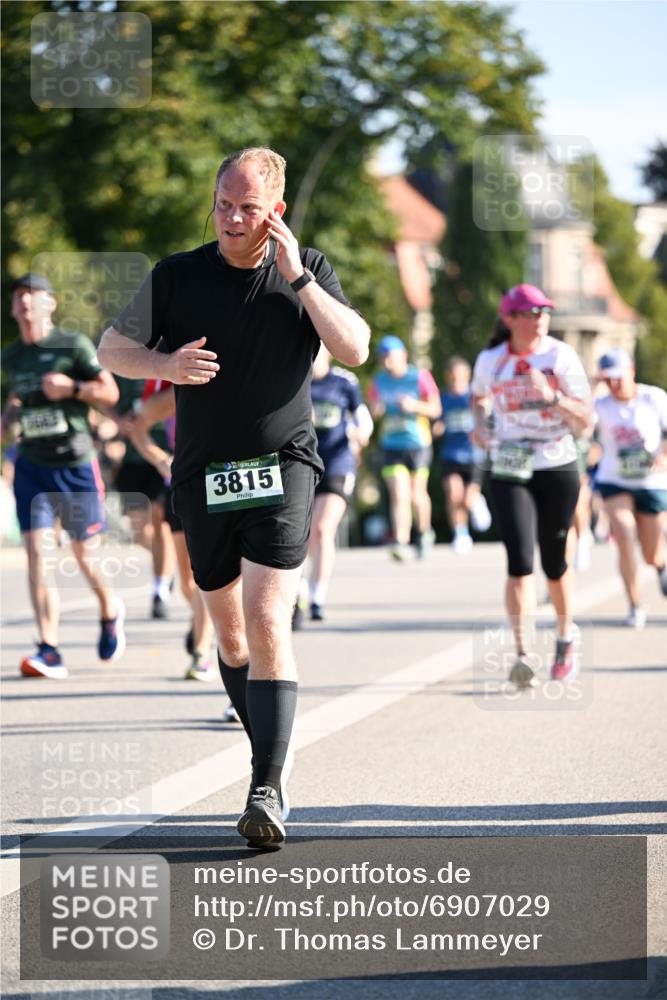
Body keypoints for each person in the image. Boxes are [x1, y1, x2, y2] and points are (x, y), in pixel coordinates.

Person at [97, 146, 370, 848]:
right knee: (229, 631)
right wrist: (162, 364)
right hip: (202, 474)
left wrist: (301, 279)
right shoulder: (178, 276)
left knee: (265, 612)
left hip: (284, 467)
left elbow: (355, 348)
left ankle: (266, 788)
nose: (230, 216)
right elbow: (109, 347)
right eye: (223, 201)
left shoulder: (303, 271)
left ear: (274, 211)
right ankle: (267, 761)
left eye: (247, 207)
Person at [2, 273, 126, 679]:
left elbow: (110, 394)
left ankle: (110, 610)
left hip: (74, 464)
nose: (25, 303)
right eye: (19, 297)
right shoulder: (12, 358)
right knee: (38, 552)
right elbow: (14, 408)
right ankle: (49, 649)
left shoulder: (72, 345)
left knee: (83, 553)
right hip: (32, 466)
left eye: (33, 296)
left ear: (50, 304)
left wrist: (71, 388)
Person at [471, 284, 592, 687]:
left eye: (545, 311)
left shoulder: (560, 356)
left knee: (555, 563)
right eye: (531, 312)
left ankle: (563, 635)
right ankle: (523, 654)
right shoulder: (491, 360)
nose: (540, 318)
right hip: (510, 463)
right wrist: (480, 425)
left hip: (556, 462)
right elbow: (477, 399)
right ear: (510, 319)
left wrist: (552, 397)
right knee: (520, 562)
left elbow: (586, 419)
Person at [127, 382, 218, 680]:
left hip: (222, 485)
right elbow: (137, 425)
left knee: (210, 578)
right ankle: (210, 621)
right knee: (188, 584)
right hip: (183, 486)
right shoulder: (175, 387)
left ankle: (202, 652)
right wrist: (161, 460)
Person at [593, 348, 667, 627]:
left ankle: (661, 565)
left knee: (651, 553)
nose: (614, 384)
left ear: (631, 371)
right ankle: (635, 604)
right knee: (623, 533)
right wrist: (593, 386)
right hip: (615, 479)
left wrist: (664, 455)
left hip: (651, 481)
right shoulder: (601, 404)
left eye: (618, 377)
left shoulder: (653, 397)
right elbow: (582, 422)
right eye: (607, 379)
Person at [305, 344, 373, 621]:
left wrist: (361, 434)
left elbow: (363, 418)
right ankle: (296, 587)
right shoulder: (295, 381)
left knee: (322, 528)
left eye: (318, 350)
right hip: (304, 466)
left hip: (338, 462)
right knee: (304, 534)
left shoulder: (344, 382)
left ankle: (317, 596)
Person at [368, 336, 441, 561]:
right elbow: (372, 410)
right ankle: (401, 541)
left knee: (416, 494)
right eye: (384, 357)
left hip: (418, 443)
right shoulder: (378, 381)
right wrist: (377, 409)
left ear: (403, 356)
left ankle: (424, 531)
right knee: (399, 494)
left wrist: (414, 406)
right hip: (391, 444)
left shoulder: (419, 377)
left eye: (392, 356)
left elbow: (436, 410)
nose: (388, 362)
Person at [111, 376, 177, 620]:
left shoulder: (170, 359)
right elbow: (105, 402)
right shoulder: (124, 366)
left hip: (165, 455)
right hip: (134, 457)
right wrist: (117, 420)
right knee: (140, 532)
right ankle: (169, 564)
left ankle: (160, 589)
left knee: (160, 523)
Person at [435, 356, 492, 554]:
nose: (456, 380)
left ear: (467, 376)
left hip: (473, 455)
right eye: (453, 377)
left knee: (467, 500)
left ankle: (477, 501)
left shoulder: (473, 397)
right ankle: (460, 534)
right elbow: (438, 420)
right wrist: (438, 427)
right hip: (451, 454)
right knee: (453, 494)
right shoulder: (444, 398)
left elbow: (487, 416)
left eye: (460, 377)